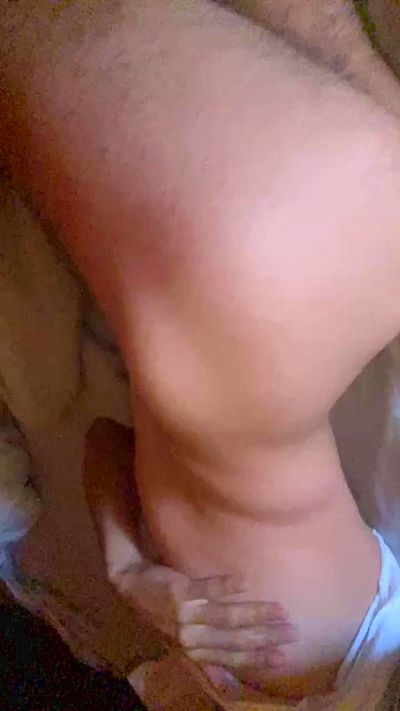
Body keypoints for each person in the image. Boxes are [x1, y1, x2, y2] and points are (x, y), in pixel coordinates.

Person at [2, 0, 400, 705]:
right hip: (252, 297)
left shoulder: (188, 661)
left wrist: (129, 571)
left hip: (246, 304)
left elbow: (108, 444)